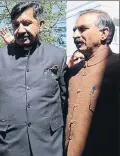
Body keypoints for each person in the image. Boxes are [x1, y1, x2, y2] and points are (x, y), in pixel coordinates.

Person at [0, 2, 67, 156]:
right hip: (8, 144)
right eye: (16, 25)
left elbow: (65, 100)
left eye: (27, 23)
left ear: (40, 24)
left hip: (49, 144)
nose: (20, 29)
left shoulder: (57, 56)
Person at [65, 9, 119, 156]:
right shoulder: (73, 71)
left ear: (104, 33)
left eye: (83, 29)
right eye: (75, 30)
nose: (75, 35)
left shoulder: (116, 67)